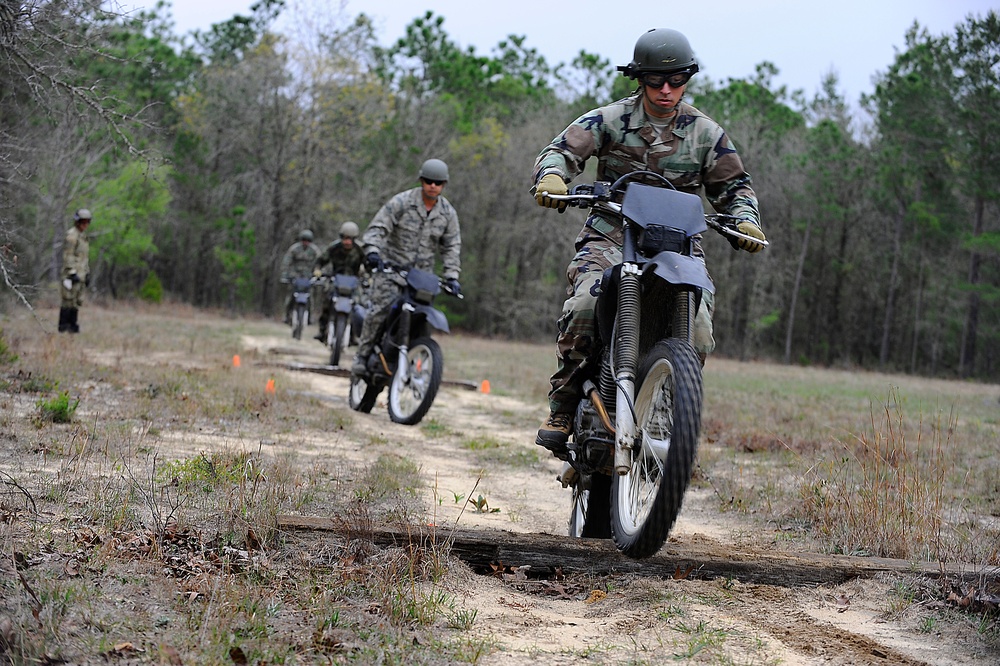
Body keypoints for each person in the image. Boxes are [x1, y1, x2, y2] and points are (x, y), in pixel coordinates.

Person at [531, 28, 767, 456]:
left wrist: (746, 221)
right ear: (638, 78)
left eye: (676, 80)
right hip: (612, 233)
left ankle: (666, 404)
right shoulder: (609, 119)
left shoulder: (705, 134)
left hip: (677, 243)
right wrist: (552, 177)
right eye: (656, 80)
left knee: (698, 330)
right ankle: (563, 404)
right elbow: (560, 151)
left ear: (688, 79)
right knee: (585, 305)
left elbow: (735, 188)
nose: (666, 89)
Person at [351, 158, 462, 376]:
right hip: (391, 270)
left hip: (422, 278)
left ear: (444, 185)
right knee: (378, 312)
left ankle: (417, 358)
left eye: (438, 183)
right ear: (421, 180)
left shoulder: (448, 214)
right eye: (429, 181)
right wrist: (372, 251)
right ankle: (362, 356)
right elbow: (378, 228)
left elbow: (451, 246)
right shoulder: (401, 202)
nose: (433, 186)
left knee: (423, 319)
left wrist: (451, 276)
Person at [312, 221, 366, 341]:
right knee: (326, 300)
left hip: (353, 282)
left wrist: (369, 277)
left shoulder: (360, 250)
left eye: (350, 239)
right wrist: (318, 270)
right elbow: (320, 261)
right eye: (344, 238)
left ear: (354, 239)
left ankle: (354, 335)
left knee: (359, 304)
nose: (347, 242)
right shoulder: (334, 248)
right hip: (336, 280)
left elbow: (368, 266)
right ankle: (322, 331)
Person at [59, 208, 92, 333]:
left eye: (87, 222)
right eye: (83, 222)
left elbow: (83, 258)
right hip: (70, 275)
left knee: (77, 301)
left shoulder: (83, 237)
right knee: (68, 300)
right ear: (77, 222)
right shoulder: (72, 236)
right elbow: (68, 255)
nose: (85, 225)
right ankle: (63, 326)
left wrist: (87, 273)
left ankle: (73, 326)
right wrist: (72, 272)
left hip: (81, 274)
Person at [279, 229, 320, 325]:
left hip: (308, 277)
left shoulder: (314, 251)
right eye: (304, 240)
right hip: (295, 276)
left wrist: (318, 273)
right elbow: (287, 261)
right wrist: (285, 273)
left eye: (308, 241)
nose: (305, 242)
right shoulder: (294, 249)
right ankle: (286, 314)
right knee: (290, 295)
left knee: (310, 297)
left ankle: (310, 316)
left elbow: (319, 262)